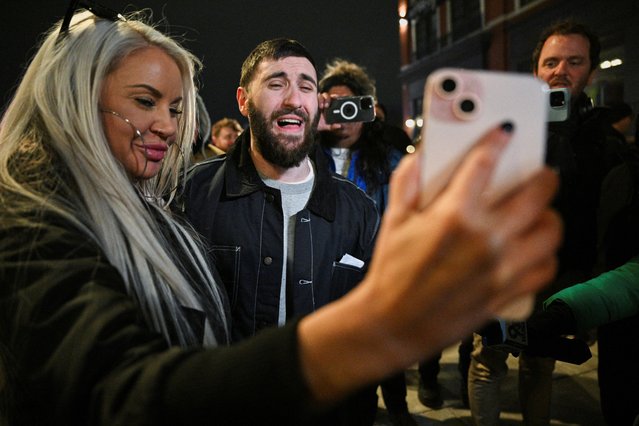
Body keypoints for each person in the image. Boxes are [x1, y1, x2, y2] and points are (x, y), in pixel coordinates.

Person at [0, 5, 562, 426]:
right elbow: (117, 387)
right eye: (146, 102)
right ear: (244, 102)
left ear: (320, 107)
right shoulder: (157, 201)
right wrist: (375, 327)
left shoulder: (356, 206)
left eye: (175, 108)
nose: (169, 127)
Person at [183, 40, 383, 425]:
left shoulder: (357, 209)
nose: (294, 99)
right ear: (243, 100)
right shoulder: (191, 195)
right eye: (277, 84)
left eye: (307, 86)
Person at [468, 19, 611, 426]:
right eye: (551, 62)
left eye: (574, 61)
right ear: (536, 71)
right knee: (486, 362)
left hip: (558, 278)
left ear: (591, 70)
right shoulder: (503, 127)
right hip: (500, 273)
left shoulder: (597, 138)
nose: (560, 70)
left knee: (539, 365)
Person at [317, 59, 412, 425]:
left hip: (376, 276)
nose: (342, 114)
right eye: (332, 104)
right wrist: (310, 125)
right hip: (323, 279)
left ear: (367, 108)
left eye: (350, 104)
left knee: (385, 356)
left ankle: (398, 407)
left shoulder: (388, 161)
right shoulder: (304, 157)